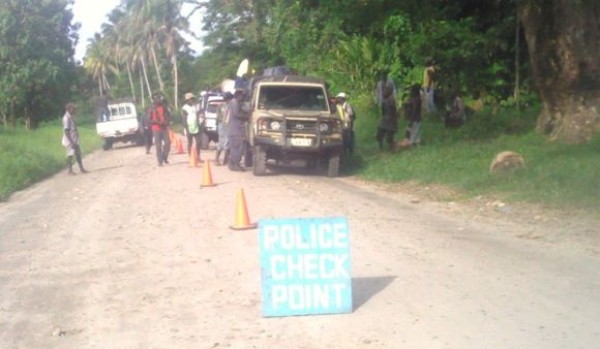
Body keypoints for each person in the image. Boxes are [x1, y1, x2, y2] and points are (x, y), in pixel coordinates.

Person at [61, 103, 87, 175]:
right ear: (69, 109)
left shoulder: (70, 117)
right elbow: (66, 131)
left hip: (74, 139)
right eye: (73, 109)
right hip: (70, 140)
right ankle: (70, 170)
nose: (75, 110)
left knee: (78, 154)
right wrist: (71, 142)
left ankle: (81, 169)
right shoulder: (66, 118)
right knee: (70, 155)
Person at [227, 89, 248, 171]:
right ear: (238, 96)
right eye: (242, 96)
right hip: (236, 129)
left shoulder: (233, 102)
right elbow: (237, 114)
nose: (243, 98)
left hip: (233, 129)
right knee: (238, 148)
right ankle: (236, 164)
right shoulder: (235, 102)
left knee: (234, 148)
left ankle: (232, 164)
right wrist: (246, 117)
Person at [149, 92, 171, 166]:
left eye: (159, 98)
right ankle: (160, 161)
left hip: (164, 128)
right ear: (154, 100)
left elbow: (169, 116)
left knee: (168, 143)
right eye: (156, 98)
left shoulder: (164, 107)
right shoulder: (151, 109)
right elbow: (149, 120)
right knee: (158, 146)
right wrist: (156, 122)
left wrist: (167, 121)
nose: (158, 100)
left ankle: (164, 157)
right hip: (156, 129)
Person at [375, 86, 398, 151]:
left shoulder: (389, 100)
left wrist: (394, 119)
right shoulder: (387, 100)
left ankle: (390, 148)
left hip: (389, 119)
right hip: (387, 119)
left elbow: (393, 111)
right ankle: (386, 148)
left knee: (387, 135)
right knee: (383, 134)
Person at [181, 92, 202, 160]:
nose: (192, 100)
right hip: (189, 127)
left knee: (199, 142)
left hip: (196, 127)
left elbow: (198, 115)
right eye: (191, 99)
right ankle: (191, 157)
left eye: (193, 99)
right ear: (187, 100)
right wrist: (186, 128)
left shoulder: (195, 106)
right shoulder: (185, 108)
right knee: (190, 142)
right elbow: (184, 119)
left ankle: (198, 156)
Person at [215, 92, 234, 166]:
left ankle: (225, 160)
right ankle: (217, 159)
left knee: (227, 143)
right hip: (223, 125)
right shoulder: (221, 106)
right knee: (222, 142)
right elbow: (218, 117)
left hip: (228, 125)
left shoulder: (231, 105)